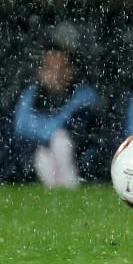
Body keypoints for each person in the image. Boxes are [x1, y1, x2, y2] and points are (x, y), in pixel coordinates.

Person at [10, 42, 102, 187]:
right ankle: (54, 195)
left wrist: (48, 135)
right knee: (43, 155)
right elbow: (20, 128)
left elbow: (77, 131)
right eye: (50, 69)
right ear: (40, 72)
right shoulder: (30, 96)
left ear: (71, 71)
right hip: (37, 152)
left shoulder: (85, 95)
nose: (56, 75)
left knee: (61, 142)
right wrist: (48, 138)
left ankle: (72, 188)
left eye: (61, 69)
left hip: (77, 157)